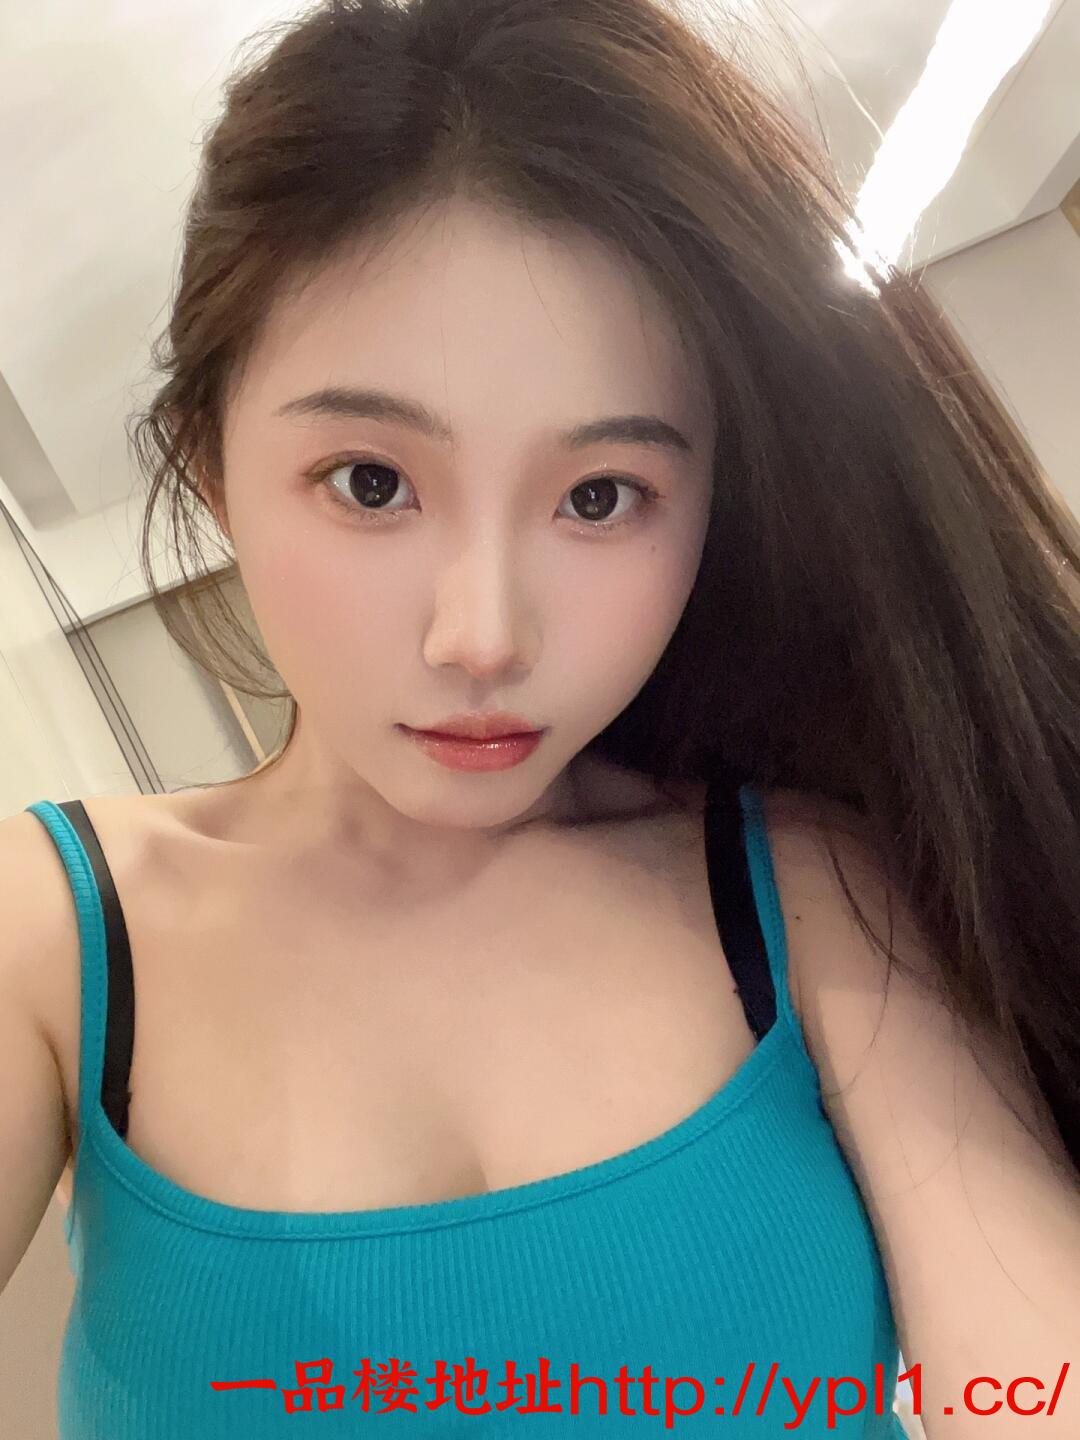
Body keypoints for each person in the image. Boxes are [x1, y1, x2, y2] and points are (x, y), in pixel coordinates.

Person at [1, 0, 1078, 1435]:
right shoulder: (54, 933)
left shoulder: (808, 892)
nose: (485, 637)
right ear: (209, 464)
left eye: (600, 497)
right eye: (372, 483)